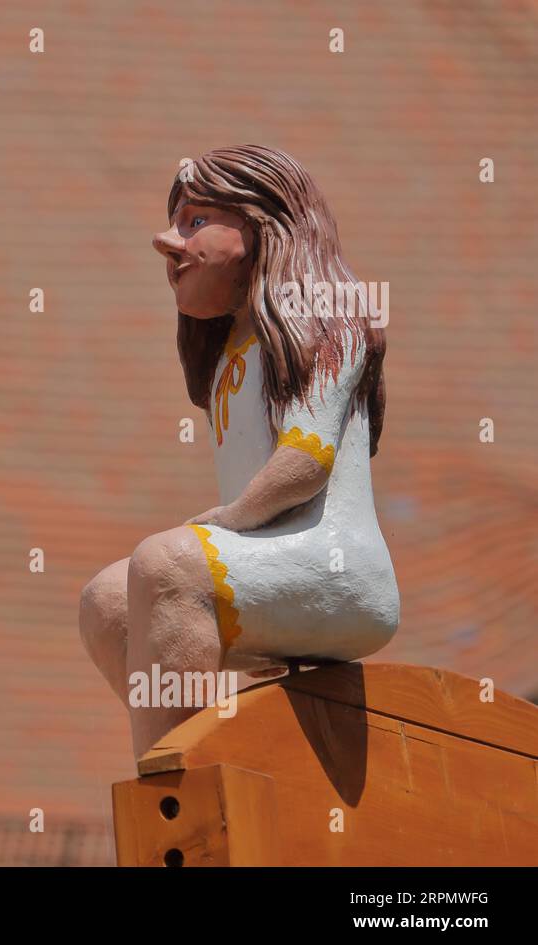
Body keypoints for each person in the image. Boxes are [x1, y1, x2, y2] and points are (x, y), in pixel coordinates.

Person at [79, 145, 399, 758]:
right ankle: (202, 757)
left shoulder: (324, 317)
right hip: (267, 554)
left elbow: (306, 459)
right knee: (109, 600)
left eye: (196, 221)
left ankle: (183, 780)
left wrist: (226, 521)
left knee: (167, 566)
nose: (166, 241)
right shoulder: (231, 350)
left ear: (263, 223)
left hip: (338, 566)